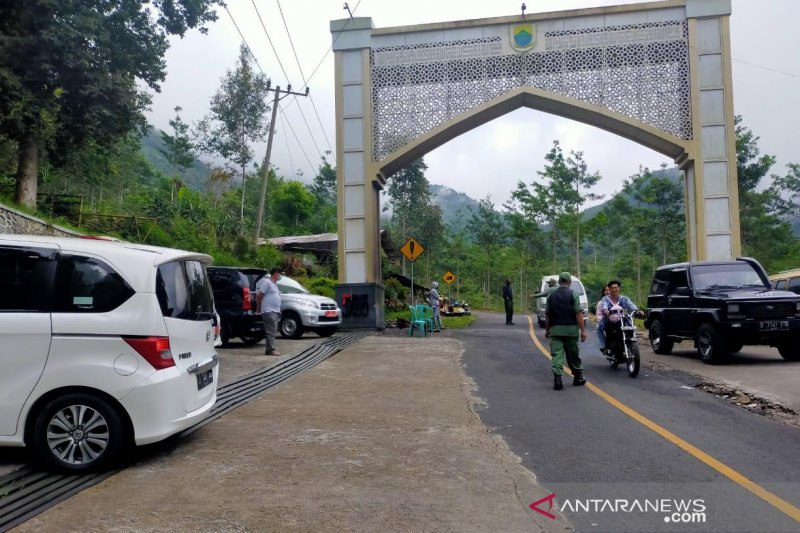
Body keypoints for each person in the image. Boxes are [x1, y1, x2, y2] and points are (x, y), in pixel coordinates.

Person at [545, 271, 588, 390]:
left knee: (557, 356)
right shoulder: (573, 294)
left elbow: (547, 315)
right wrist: (583, 330)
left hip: (555, 330)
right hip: (571, 331)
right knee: (573, 355)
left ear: (559, 282)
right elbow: (578, 314)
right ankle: (578, 377)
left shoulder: (551, 295)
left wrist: (547, 330)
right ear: (569, 282)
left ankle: (558, 380)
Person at [598, 279, 640, 354]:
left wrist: (637, 311)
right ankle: (607, 347)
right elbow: (604, 307)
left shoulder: (624, 298)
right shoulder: (605, 299)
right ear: (609, 289)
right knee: (605, 328)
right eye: (612, 288)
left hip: (622, 320)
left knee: (630, 328)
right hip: (610, 321)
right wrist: (606, 311)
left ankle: (628, 344)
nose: (614, 289)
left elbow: (631, 305)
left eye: (616, 287)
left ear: (619, 288)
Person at [256, 267, 283, 355]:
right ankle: (271, 349)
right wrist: (258, 305)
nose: (280, 275)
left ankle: (269, 349)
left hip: (275, 311)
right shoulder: (267, 282)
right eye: (279, 273)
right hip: (268, 310)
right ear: (275, 273)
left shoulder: (275, 284)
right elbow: (259, 294)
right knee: (271, 330)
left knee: (273, 330)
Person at [595, 284, 610, 354]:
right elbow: (598, 315)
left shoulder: (617, 299)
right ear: (603, 292)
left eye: (609, 290)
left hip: (618, 320)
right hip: (606, 321)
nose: (607, 292)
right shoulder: (601, 303)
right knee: (598, 327)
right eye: (605, 290)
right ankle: (604, 346)